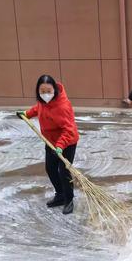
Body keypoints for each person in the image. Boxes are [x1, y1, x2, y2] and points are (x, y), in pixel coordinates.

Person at [17, 75, 79, 215]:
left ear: (54, 89)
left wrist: (60, 146)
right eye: (42, 91)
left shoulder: (63, 106)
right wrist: (27, 114)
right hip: (50, 141)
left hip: (67, 142)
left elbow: (68, 130)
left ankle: (69, 200)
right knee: (50, 168)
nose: (45, 94)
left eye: (48, 91)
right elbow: (38, 109)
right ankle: (60, 195)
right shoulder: (42, 102)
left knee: (64, 171)